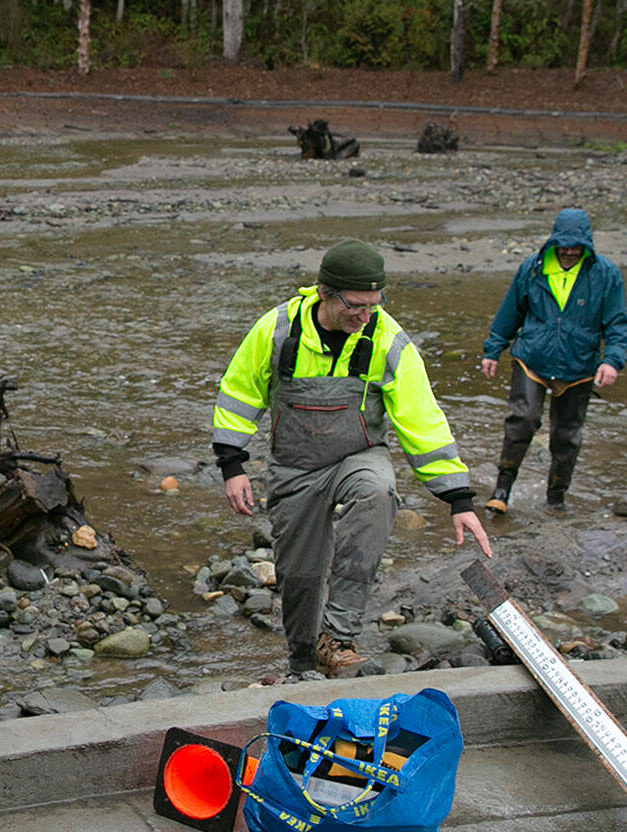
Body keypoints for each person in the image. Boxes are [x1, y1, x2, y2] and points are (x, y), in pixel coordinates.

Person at [211, 239, 493, 680]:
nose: (365, 316)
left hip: (358, 457)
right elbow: (239, 392)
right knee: (299, 577)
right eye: (356, 306)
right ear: (326, 292)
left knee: (378, 492)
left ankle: (339, 636)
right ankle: (303, 663)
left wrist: (458, 497)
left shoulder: (387, 339)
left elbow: (421, 419)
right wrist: (232, 465)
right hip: (294, 469)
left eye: (374, 305)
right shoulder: (277, 330)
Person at [480, 208, 627, 516]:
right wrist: (493, 349)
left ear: (587, 244)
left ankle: (556, 497)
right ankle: (502, 489)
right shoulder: (532, 270)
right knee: (522, 420)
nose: (570, 251)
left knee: (567, 435)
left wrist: (612, 361)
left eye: (577, 245)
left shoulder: (606, 274)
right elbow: (510, 312)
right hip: (532, 358)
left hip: (579, 366)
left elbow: (617, 324)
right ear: (554, 242)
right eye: (564, 244)